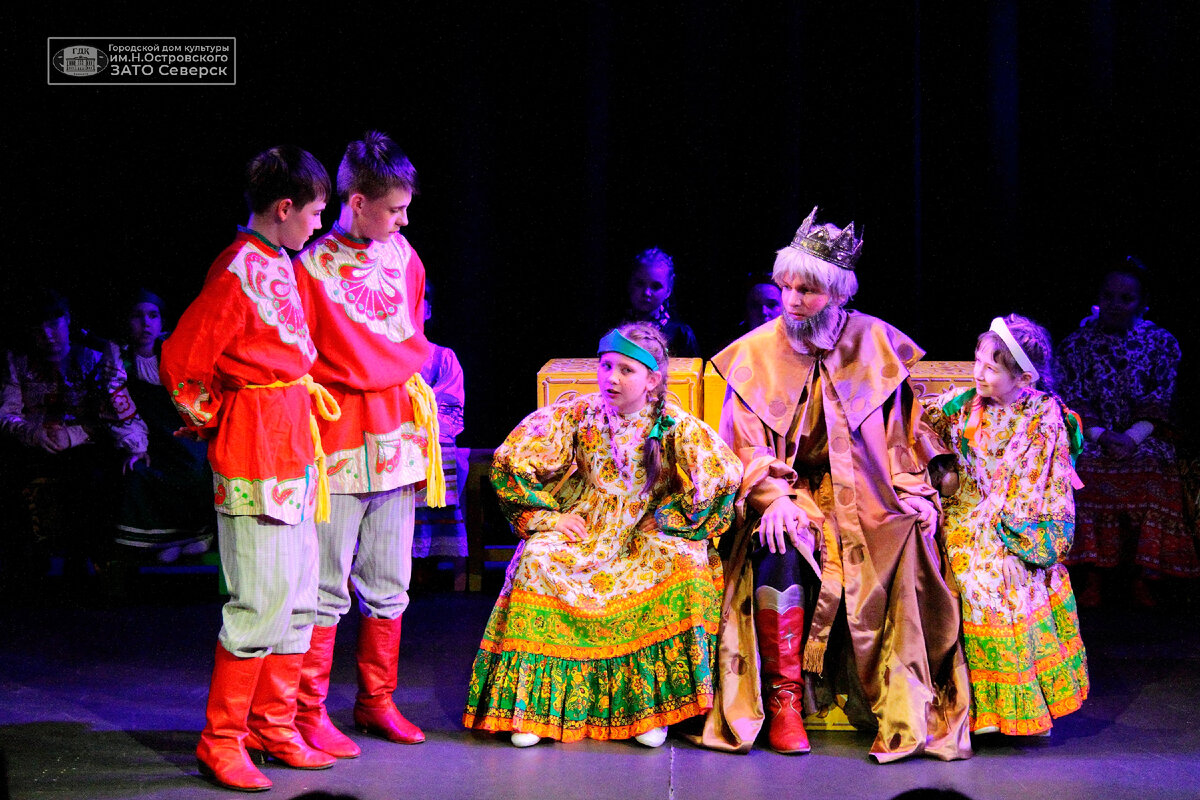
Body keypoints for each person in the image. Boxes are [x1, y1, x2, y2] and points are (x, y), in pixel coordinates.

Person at [696, 206, 972, 762]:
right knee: (778, 543)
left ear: (839, 293)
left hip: (867, 492)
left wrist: (914, 490)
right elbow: (739, 448)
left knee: (906, 540)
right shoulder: (754, 356)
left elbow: (902, 435)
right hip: (788, 492)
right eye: (788, 287)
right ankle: (784, 700)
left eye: (809, 291)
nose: (793, 301)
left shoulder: (876, 345)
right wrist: (772, 498)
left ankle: (896, 702)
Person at [463, 323, 742, 747]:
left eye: (626, 370)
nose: (611, 378)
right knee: (538, 560)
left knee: (681, 561)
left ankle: (647, 709)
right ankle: (535, 711)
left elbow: (722, 473)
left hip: (641, 532)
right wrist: (548, 518)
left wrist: (673, 517)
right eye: (607, 366)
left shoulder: (671, 423)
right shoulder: (580, 413)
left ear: (652, 380)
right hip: (589, 523)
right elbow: (512, 459)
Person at [161, 145, 337, 791]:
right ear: (285, 208)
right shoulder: (237, 270)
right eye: (316, 212)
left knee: (296, 596)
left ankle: (274, 724)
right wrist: (218, 418)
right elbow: (183, 361)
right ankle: (222, 739)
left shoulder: (279, 262)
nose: (320, 224)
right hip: (256, 447)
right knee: (259, 598)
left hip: (294, 441)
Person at [292, 131, 442, 756]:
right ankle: (306, 710)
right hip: (339, 434)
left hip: (397, 433)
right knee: (326, 583)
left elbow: (408, 337)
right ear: (356, 202)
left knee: (389, 576)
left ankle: (376, 699)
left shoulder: (405, 256)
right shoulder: (310, 267)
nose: (405, 219)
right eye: (394, 208)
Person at [925, 314, 1089, 737]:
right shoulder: (963, 405)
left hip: (1016, 523)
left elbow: (1039, 486)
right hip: (963, 509)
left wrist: (1015, 545)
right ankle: (971, 707)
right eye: (977, 361)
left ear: (1023, 376)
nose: (977, 373)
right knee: (972, 574)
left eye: (991, 368)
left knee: (1004, 577)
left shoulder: (1043, 415)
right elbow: (922, 437)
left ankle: (1018, 709)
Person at [1056, 258, 1197, 606]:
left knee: (1153, 468)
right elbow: (1071, 398)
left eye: (1126, 297)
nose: (1116, 304)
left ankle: (1145, 575)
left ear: (1142, 302)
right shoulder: (1076, 344)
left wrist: (1132, 437)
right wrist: (1103, 436)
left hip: (1145, 437)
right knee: (1080, 471)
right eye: (1108, 295)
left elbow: (1162, 397)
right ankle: (1091, 575)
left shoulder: (1162, 343)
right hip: (1092, 436)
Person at [0, 288, 148, 586]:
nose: (48, 334)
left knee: (98, 473)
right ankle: (28, 562)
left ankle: (92, 559)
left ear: (67, 321)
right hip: (34, 445)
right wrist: (32, 433)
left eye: (54, 324)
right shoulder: (18, 363)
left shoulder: (94, 359)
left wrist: (76, 433)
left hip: (85, 445)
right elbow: (7, 412)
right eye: (40, 328)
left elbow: (112, 414)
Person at [110, 289, 213, 562]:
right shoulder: (120, 362)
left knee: (193, 468)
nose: (146, 323)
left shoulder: (177, 353)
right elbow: (122, 409)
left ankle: (196, 535)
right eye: (138, 316)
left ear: (161, 322)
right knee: (139, 472)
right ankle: (164, 540)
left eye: (152, 316)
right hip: (151, 438)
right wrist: (136, 446)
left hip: (184, 434)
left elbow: (199, 401)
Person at [413, 283, 469, 588]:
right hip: (391, 436)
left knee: (441, 455)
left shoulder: (443, 358)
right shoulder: (382, 356)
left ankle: (432, 561)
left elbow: (449, 407)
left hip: (430, 438)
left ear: (429, 310)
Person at [622, 247, 701, 357]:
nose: (646, 293)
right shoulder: (614, 328)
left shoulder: (680, 334)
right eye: (640, 284)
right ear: (630, 284)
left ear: (668, 290)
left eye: (655, 286)